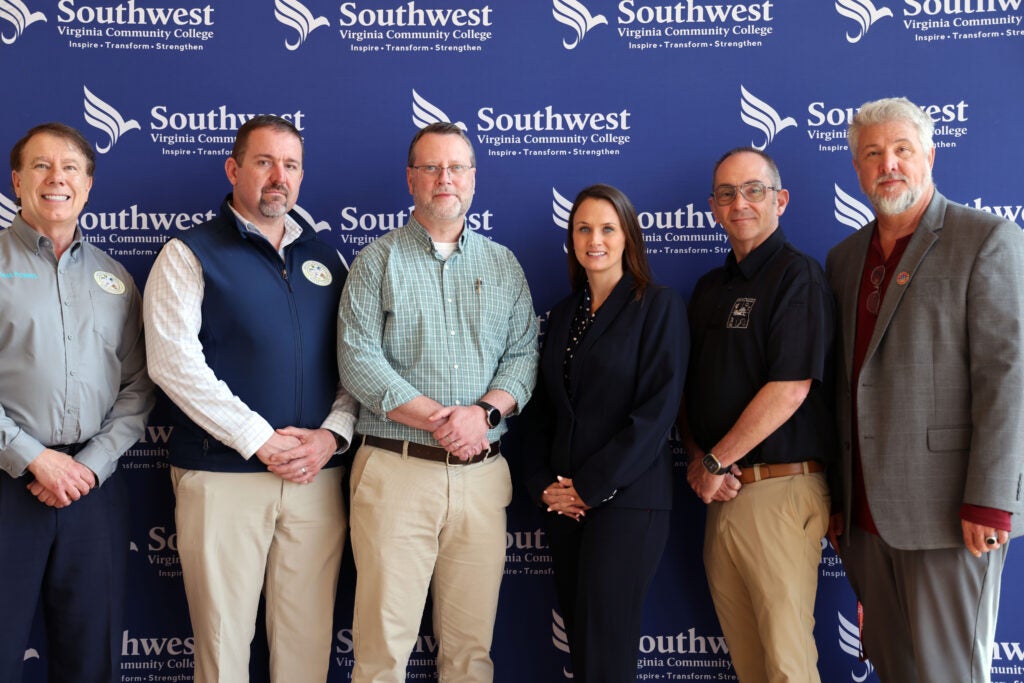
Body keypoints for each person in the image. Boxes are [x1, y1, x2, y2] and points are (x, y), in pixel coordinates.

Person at [143, 115, 357, 682]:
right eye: (264, 162)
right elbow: (172, 362)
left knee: (307, 649)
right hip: (222, 476)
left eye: (290, 165)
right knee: (223, 649)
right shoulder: (189, 253)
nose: (278, 177)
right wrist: (259, 439)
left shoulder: (327, 259)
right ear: (233, 169)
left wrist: (331, 435)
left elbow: (354, 363)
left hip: (314, 477)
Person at [826, 96, 1024, 683]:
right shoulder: (843, 259)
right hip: (865, 521)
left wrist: (990, 499)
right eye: (872, 154)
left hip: (951, 515)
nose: (887, 164)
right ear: (857, 169)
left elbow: (1007, 377)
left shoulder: (985, 238)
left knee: (950, 674)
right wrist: (839, 500)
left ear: (929, 156)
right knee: (898, 672)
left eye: (901, 149)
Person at [337, 121, 538, 683]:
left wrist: (483, 415)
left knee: (471, 654)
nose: (444, 178)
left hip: (481, 476)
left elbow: (524, 356)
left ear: (473, 178)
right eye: (431, 167)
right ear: (411, 179)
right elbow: (358, 360)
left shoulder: (503, 264)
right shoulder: (376, 261)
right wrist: (445, 421)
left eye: (456, 167)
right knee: (381, 653)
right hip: (396, 472)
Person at [0, 122, 154, 682]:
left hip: (93, 492)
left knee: (91, 662)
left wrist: (86, 466)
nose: (56, 178)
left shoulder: (116, 278)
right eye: (41, 166)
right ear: (17, 181)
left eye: (70, 168)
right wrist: (33, 457)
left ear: (88, 186)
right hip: (7, 485)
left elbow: (139, 387)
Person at [680, 147, 835, 683]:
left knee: (788, 667)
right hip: (720, 495)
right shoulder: (708, 289)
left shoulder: (798, 276)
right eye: (726, 194)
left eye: (753, 190)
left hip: (778, 491)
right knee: (751, 669)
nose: (739, 203)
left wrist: (715, 461)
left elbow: (790, 389)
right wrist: (702, 461)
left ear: (780, 200)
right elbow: (690, 394)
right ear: (713, 208)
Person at [522, 184, 688, 682]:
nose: (595, 240)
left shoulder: (658, 306)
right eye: (584, 229)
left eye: (607, 229)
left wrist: (590, 487)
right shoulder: (564, 314)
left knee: (607, 656)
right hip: (565, 507)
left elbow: (656, 412)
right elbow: (542, 411)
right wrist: (544, 486)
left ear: (628, 237)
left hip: (627, 505)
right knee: (585, 652)